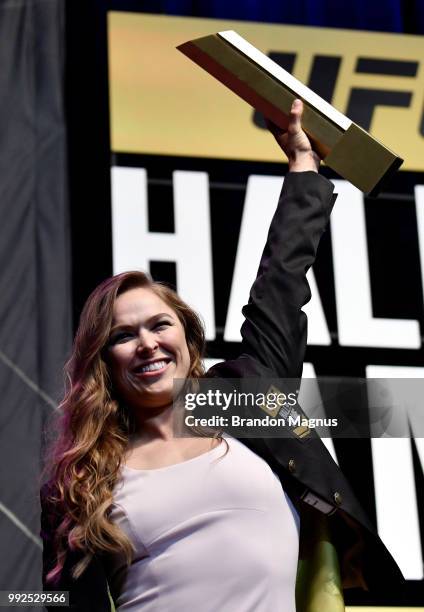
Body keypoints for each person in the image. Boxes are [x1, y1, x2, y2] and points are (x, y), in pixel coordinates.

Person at [41, 100, 403, 611]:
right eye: (123, 335)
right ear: (105, 362)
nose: (146, 343)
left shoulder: (244, 404)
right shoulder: (84, 480)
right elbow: (57, 602)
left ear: (188, 343)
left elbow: (281, 283)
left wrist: (303, 165)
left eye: (159, 324)